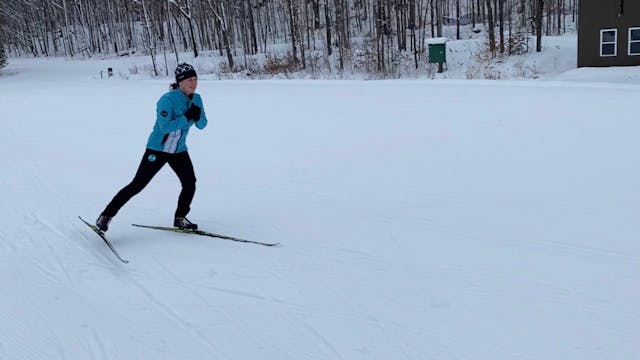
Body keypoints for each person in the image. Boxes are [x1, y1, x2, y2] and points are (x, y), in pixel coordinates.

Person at [96, 63, 208, 232]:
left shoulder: (197, 98)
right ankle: (105, 216)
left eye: (195, 79)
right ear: (180, 82)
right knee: (138, 184)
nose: (194, 83)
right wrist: (186, 117)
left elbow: (202, 125)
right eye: (190, 80)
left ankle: (180, 218)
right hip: (157, 150)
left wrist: (197, 116)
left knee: (189, 183)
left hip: (179, 151)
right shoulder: (167, 100)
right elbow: (165, 127)